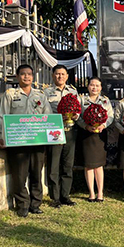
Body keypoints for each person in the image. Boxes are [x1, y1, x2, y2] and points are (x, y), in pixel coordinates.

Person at [0, 64, 51, 217]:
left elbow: (48, 117)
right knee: (19, 175)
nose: (26, 77)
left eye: (29, 74)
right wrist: (0, 136)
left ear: (33, 77)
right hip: (18, 140)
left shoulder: (40, 95)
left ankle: (35, 204)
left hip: (37, 140)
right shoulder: (10, 94)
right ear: (17, 76)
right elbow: (2, 116)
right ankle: (22, 205)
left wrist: (52, 135)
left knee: (36, 173)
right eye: (23, 74)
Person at [44, 65, 79, 208]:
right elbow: (44, 111)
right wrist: (58, 117)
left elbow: (78, 109)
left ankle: (65, 195)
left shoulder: (73, 91)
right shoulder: (47, 92)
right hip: (54, 130)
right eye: (57, 74)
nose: (60, 76)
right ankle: (55, 197)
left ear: (67, 76)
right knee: (54, 164)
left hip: (70, 130)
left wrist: (75, 116)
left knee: (68, 164)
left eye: (63, 74)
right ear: (53, 76)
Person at [77, 77, 114, 202]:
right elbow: (77, 116)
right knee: (89, 165)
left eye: (97, 85)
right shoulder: (82, 100)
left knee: (99, 166)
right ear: (88, 86)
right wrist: (85, 126)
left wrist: (103, 125)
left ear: (101, 88)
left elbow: (111, 116)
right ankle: (91, 193)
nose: (94, 88)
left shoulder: (105, 101)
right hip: (87, 135)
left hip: (100, 135)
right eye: (92, 85)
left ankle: (100, 192)